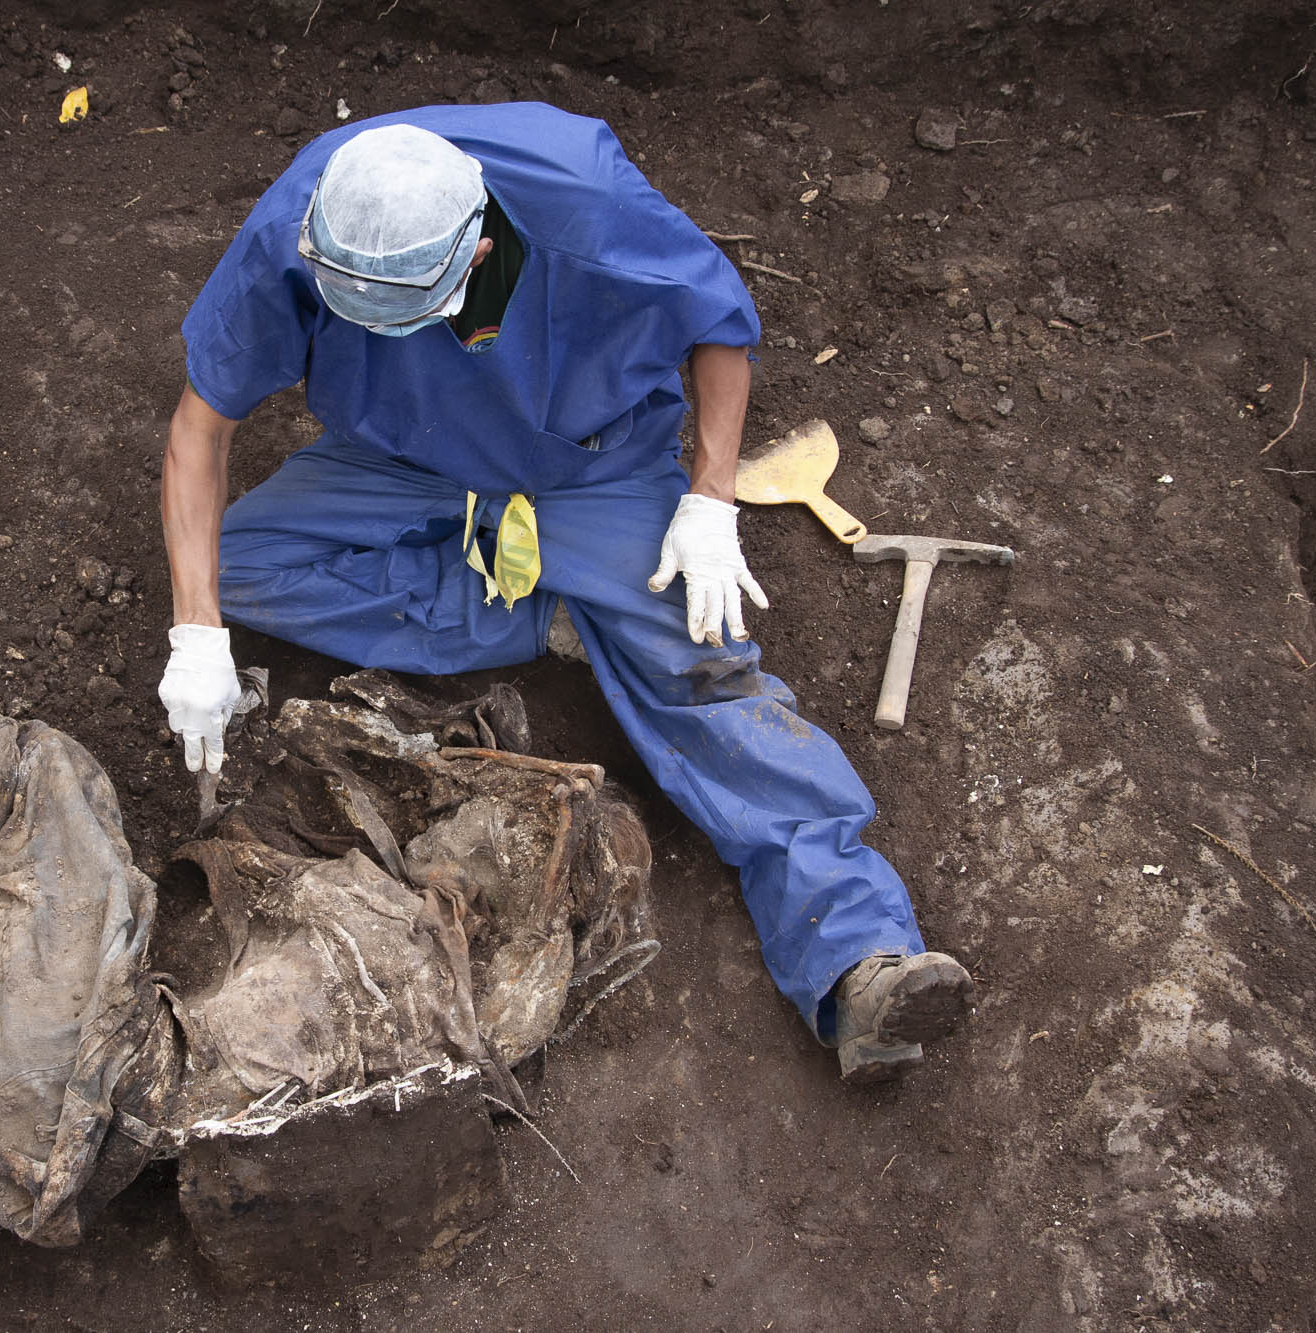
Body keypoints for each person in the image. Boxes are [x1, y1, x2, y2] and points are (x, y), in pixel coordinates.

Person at [156, 102, 974, 1083]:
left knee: (701, 678)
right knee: (235, 563)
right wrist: (195, 631)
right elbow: (197, 429)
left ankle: (855, 956)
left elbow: (716, 325)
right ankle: (545, 607)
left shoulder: (580, 197)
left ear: (478, 249)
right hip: (405, 453)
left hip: (592, 468)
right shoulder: (304, 222)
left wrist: (708, 501)